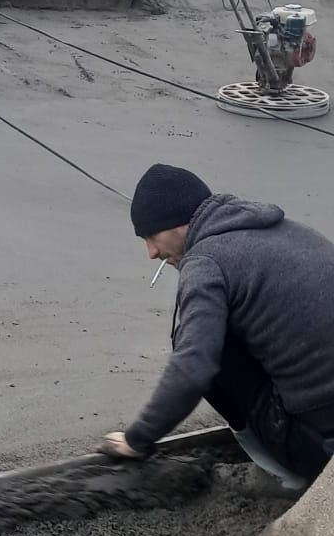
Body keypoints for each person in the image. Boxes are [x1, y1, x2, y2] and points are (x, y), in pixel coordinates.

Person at [102, 164, 334, 487]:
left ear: (177, 224)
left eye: (151, 237)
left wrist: (137, 439)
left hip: (321, 449)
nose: (151, 253)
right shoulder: (289, 232)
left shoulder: (205, 263)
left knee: (203, 344)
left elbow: (193, 368)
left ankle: (280, 475)